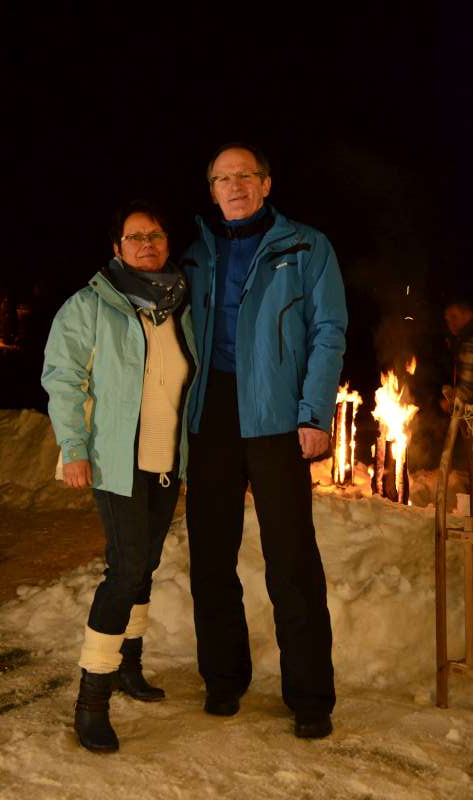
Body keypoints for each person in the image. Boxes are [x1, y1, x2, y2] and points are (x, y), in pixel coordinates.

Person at [182, 143, 347, 739]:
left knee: (292, 559)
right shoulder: (196, 253)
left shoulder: (306, 246)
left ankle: (310, 696)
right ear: (211, 190)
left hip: (277, 419)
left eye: (245, 176)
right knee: (210, 556)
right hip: (212, 419)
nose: (234, 186)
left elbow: (328, 330)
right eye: (222, 178)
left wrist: (314, 413)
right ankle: (223, 678)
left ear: (266, 183)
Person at [42, 201, 197, 753]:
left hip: (166, 459)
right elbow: (63, 377)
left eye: (155, 235)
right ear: (117, 248)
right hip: (116, 458)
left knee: (145, 564)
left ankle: (130, 665)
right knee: (126, 569)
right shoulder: (90, 305)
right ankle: (92, 699)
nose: (146, 244)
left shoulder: (179, 304)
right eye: (135, 237)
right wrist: (74, 447)